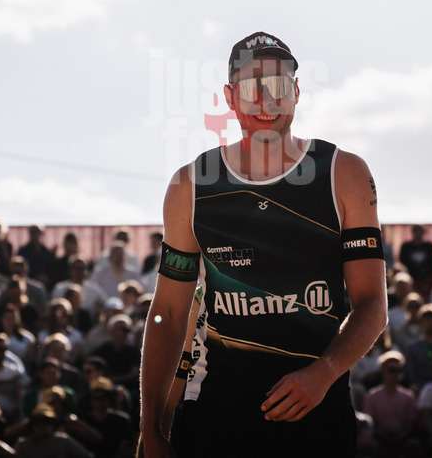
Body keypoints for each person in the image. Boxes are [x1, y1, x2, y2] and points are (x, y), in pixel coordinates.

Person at [139, 32, 388, 458]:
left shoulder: (342, 172)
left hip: (315, 413)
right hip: (216, 416)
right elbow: (168, 312)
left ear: (295, 92)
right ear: (231, 97)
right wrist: (151, 430)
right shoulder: (190, 186)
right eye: (253, 88)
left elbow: (372, 306)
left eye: (277, 86)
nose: (266, 101)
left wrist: (323, 372)